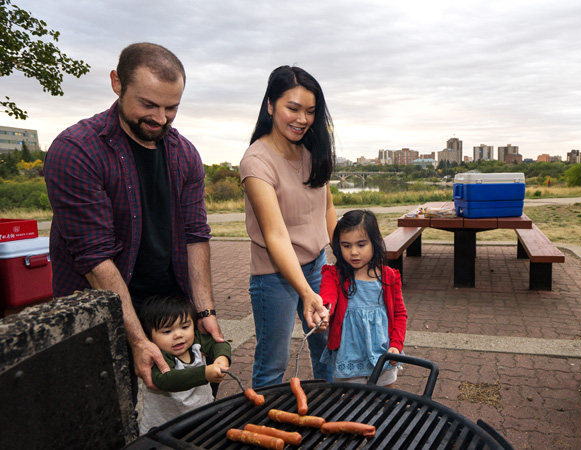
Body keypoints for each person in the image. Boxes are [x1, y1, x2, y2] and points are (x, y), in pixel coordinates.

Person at [43, 42, 224, 396]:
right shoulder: (76, 151)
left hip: (168, 311)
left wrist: (204, 312)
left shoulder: (185, 154)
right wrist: (138, 340)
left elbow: (195, 236)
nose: (160, 118)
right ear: (117, 82)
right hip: (102, 313)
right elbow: (95, 259)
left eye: (172, 107)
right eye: (148, 104)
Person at [239, 65, 336, 387]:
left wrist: (346, 263)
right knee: (273, 363)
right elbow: (276, 235)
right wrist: (307, 293)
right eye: (292, 108)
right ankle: (264, 427)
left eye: (310, 111)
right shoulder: (256, 162)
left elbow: (328, 207)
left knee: (327, 349)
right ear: (270, 105)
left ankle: (330, 410)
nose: (302, 119)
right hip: (274, 276)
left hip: (317, 266)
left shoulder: (311, 150)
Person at [319, 210, 408, 387]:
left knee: (385, 399)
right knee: (351, 403)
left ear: (374, 243)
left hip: (383, 356)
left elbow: (399, 314)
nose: (354, 252)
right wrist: (323, 312)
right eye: (346, 245)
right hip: (348, 357)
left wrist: (396, 345)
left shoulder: (389, 277)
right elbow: (327, 297)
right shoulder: (334, 275)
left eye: (361, 245)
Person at [137, 294, 231, 435]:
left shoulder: (195, 342)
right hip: (164, 429)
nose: (178, 335)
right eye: (167, 331)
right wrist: (204, 374)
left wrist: (221, 359)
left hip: (202, 419)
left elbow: (219, 345)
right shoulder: (157, 357)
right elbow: (167, 380)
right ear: (149, 336)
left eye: (185, 327)